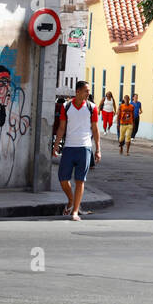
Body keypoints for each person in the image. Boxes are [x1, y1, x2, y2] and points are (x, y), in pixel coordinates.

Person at [53, 81, 100, 221]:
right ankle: (71, 200)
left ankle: (74, 211)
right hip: (69, 147)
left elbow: (95, 129)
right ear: (78, 92)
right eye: (86, 91)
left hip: (85, 147)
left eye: (89, 91)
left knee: (80, 180)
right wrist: (55, 146)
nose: (88, 93)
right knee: (63, 178)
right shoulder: (66, 107)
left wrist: (98, 149)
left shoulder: (92, 108)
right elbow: (61, 128)